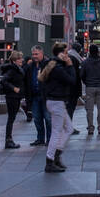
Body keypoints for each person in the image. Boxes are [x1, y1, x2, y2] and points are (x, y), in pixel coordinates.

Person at [41, 42, 77, 172]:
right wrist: (70, 65)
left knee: (68, 128)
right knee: (56, 132)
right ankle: (50, 160)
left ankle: (56, 155)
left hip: (55, 101)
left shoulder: (53, 65)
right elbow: (72, 80)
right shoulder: (58, 68)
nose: (68, 55)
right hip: (57, 102)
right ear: (61, 53)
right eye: (66, 53)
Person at [24, 46, 51, 147]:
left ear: (42, 53)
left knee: (48, 118)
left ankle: (49, 139)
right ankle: (40, 138)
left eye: (36, 54)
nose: (34, 56)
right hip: (34, 96)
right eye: (33, 54)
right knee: (37, 119)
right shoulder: (30, 66)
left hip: (46, 96)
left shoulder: (48, 64)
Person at [0, 49, 26, 148]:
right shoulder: (12, 70)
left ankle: (9, 139)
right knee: (11, 118)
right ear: (14, 60)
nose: (21, 60)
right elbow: (4, 81)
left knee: (12, 118)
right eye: (19, 59)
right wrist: (14, 88)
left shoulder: (17, 68)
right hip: (12, 96)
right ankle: (8, 140)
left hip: (15, 96)